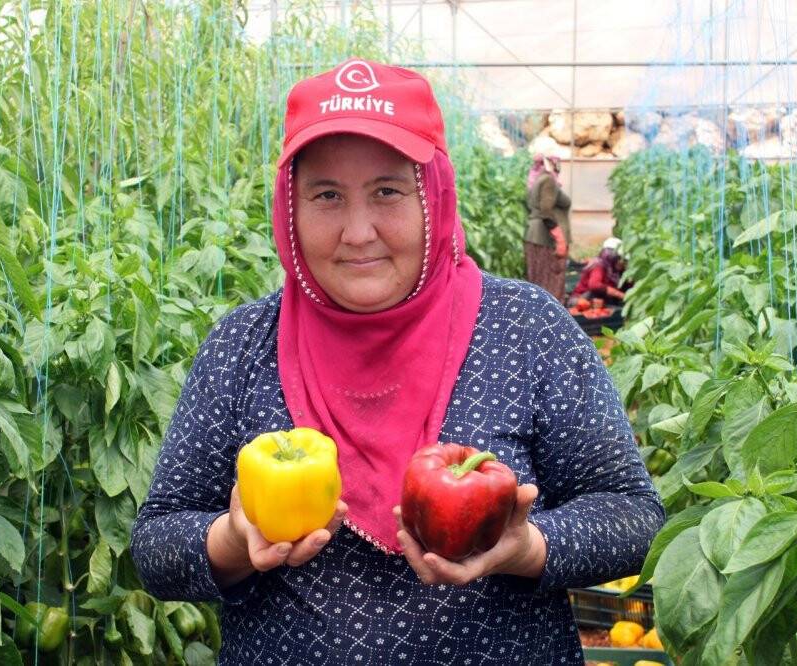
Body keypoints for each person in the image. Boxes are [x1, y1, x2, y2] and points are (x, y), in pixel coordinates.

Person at [131, 59, 664, 665]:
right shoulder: (243, 345)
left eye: (387, 191)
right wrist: (231, 540)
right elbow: (155, 545)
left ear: (433, 196)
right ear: (290, 207)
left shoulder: (525, 329)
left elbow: (633, 516)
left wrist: (531, 548)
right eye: (326, 195)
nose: (358, 232)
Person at [524, 152, 572, 300]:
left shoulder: (538, 180)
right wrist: (560, 239)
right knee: (551, 286)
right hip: (546, 240)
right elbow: (546, 211)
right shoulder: (548, 181)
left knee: (539, 285)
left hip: (536, 236)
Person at [569, 237, 628, 304]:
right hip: (581, 299)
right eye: (619, 259)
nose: (622, 262)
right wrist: (620, 295)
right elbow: (594, 285)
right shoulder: (598, 265)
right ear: (612, 257)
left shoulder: (614, 270)